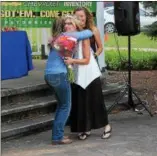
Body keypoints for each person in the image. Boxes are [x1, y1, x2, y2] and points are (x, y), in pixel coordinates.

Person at [64, 7, 112, 140]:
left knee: (96, 101)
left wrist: (94, 55)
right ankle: (85, 128)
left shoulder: (91, 30)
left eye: (81, 16)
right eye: (76, 16)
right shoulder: (73, 33)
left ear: (86, 17)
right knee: (81, 101)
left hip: (89, 68)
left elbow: (100, 46)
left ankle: (106, 125)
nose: (79, 18)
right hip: (78, 70)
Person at [44, 16, 93, 145]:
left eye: (70, 23)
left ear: (74, 25)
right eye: (65, 23)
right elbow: (89, 32)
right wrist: (83, 25)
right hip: (59, 76)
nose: (67, 25)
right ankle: (57, 137)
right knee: (66, 106)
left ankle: (57, 135)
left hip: (50, 75)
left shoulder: (59, 37)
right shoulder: (70, 36)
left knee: (61, 105)